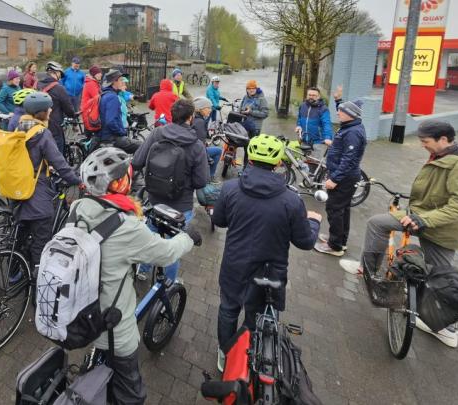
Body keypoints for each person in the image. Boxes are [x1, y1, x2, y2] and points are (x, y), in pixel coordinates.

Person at [340, 120, 458, 348]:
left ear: (443, 139)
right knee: (377, 223)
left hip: (442, 228)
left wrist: (425, 219)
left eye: (425, 142)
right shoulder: (443, 155)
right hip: (421, 216)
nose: (423, 145)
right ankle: (368, 269)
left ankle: (447, 328)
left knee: (439, 276)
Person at [75, 147, 199, 405]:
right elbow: (165, 253)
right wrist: (188, 237)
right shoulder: (126, 226)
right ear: (120, 183)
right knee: (133, 393)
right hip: (113, 326)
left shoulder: (78, 207)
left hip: (80, 311)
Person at [212, 134, 321, 371]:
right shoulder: (291, 200)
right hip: (269, 271)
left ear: (249, 158)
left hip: (234, 264)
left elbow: (219, 221)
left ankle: (225, 354)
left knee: (229, 309)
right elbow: (305, 242)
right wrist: (313, 222)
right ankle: (252, 355)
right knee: (258, 316)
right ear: (279, 163)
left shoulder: (230, 188)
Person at [132, 99, 210, 281]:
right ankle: (168, 283)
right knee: (171, 247)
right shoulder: (197, 145)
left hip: (154, 200)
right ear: (190, 118)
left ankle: (142, 271)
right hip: (180, 206)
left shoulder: (157, 133)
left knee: (150, 239)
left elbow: (136, 162)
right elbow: (201, 181)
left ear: (172, 115)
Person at [11, 92, 83, 267]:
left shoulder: (18, 126)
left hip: (17, 187)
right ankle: (38, 282)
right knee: (41, 238)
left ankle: (13, 270)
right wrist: (76, 180)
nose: (51, 110)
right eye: (48, 108)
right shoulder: (41, 133)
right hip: (36, 191)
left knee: (19, 235)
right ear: (41, 112)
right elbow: (59, 162)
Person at [314, 100, 367, 257]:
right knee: (343, 209)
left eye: (341, 111)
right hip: (345, 176)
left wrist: (335, 179)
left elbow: (349, 159)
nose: (338, 113)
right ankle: (339, 240)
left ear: (350, 114)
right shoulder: (350, 127)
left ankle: (335, 246)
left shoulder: (353, 132)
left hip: (344, 178)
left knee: (335, 209)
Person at [97, 69, 142, 154]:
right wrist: (122, 132)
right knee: (142, 146)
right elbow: (111, 121)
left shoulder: (106, 94)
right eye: (121, 80)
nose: (122, 82)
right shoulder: (112, 97)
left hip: (105, 136)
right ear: (114, 82)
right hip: (112, 138)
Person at [37, 61, 76, 153]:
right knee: (57, 153)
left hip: (38, 125)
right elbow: (68, 108)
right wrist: (73, 115)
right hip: (54, 126)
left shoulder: (38, 85)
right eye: (60, 74)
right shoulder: (59, 88)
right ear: (56, 72)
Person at [295, 86, 341, 151]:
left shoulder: (323, 109)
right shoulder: (302, 106)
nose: (311, 97)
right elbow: (299, 118)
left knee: (316, 160)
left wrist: (327, 138)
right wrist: (298, 125)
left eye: (314, 95)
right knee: (304, 160)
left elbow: (326, 124)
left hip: (318, 142)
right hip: (304, 140)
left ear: (318, 96)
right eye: (309, 95)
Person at [193, 96, 224, 179]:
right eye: (208, 108)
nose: (210, 110)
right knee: (218, 151)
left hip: (192, 151)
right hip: (196, 154)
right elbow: (200, 146)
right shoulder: (200, 122)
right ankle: (210, 177)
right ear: (201, 108)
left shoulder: (194, 118)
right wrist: (208, 158)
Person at [80, 65, 102, 133]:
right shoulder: (91, 84)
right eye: (99, 73)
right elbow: (98, 98)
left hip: (89, 110)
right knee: (91, 131)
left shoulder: (94, 82)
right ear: (94, 75)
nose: (101, 74)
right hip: (89, 111)